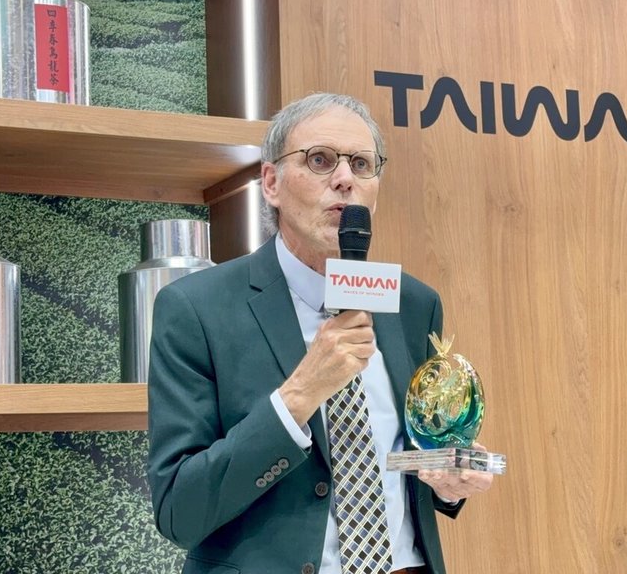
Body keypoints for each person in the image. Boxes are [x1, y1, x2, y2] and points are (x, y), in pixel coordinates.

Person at [147, 92, 494, 574]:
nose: (345, 178)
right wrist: (299, 395)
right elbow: (178, 512)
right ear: (272, 182)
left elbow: (408, 461)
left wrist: (447, 478)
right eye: (320, 160)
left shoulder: (413, 304)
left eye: (361, 164)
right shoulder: (195, 309)